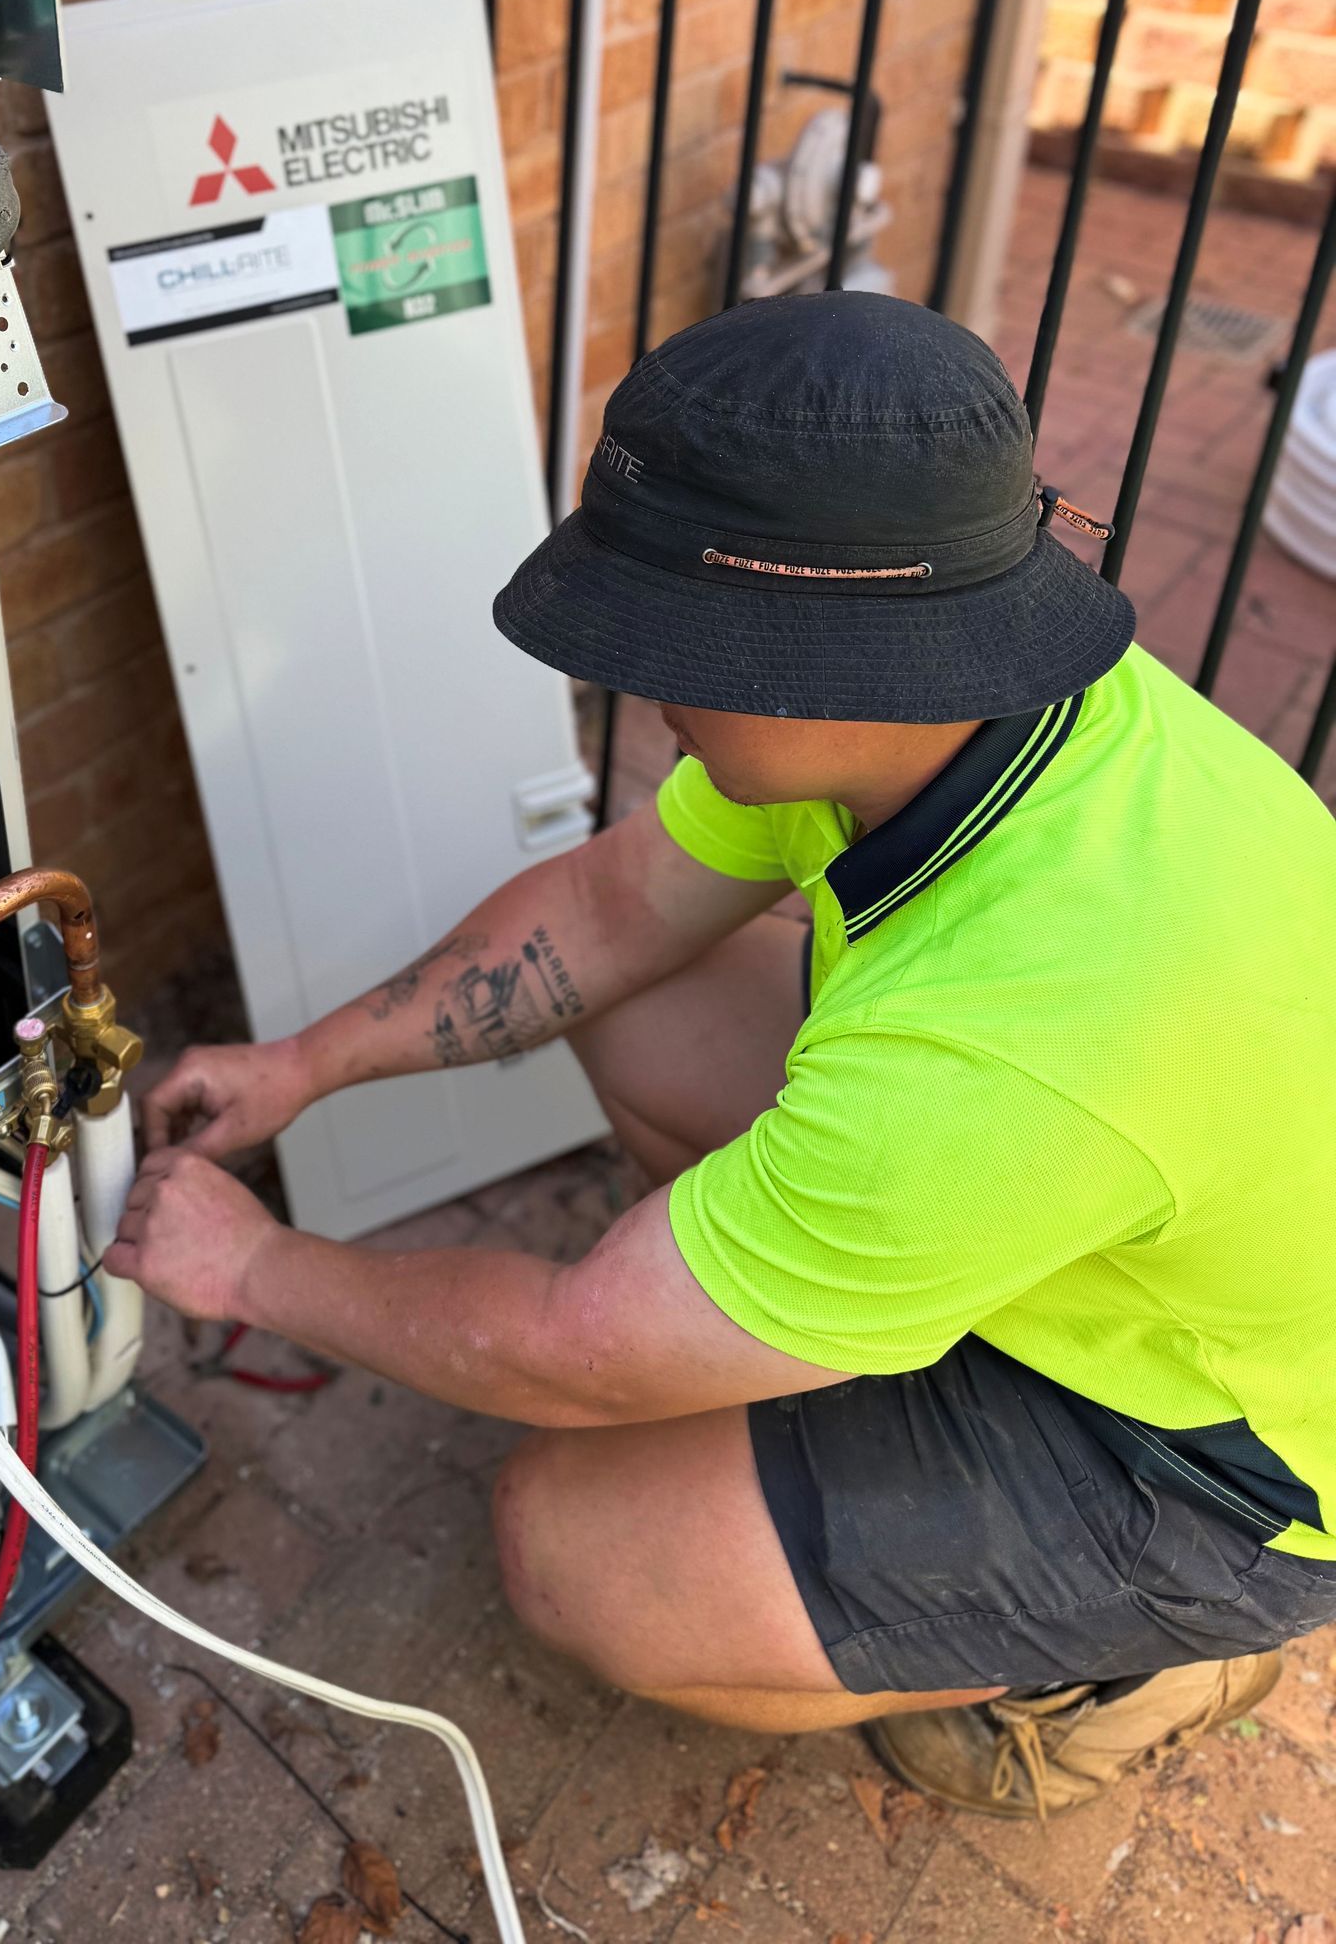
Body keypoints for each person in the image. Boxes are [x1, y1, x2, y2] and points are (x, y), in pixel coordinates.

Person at [105, 289, 1336, 1818]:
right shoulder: (950, 702)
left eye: (663, 647)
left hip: (1212, 1466)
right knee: (639, 998)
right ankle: (830, 1337)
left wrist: (249, 1271)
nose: (641, 690)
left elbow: (566, 1348)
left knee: (574, 1546)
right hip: (1097, 1237)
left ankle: (1119, 1658)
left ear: (806, 662)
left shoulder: (1009, 1036)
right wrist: (305, 1065)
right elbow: (614, 911)